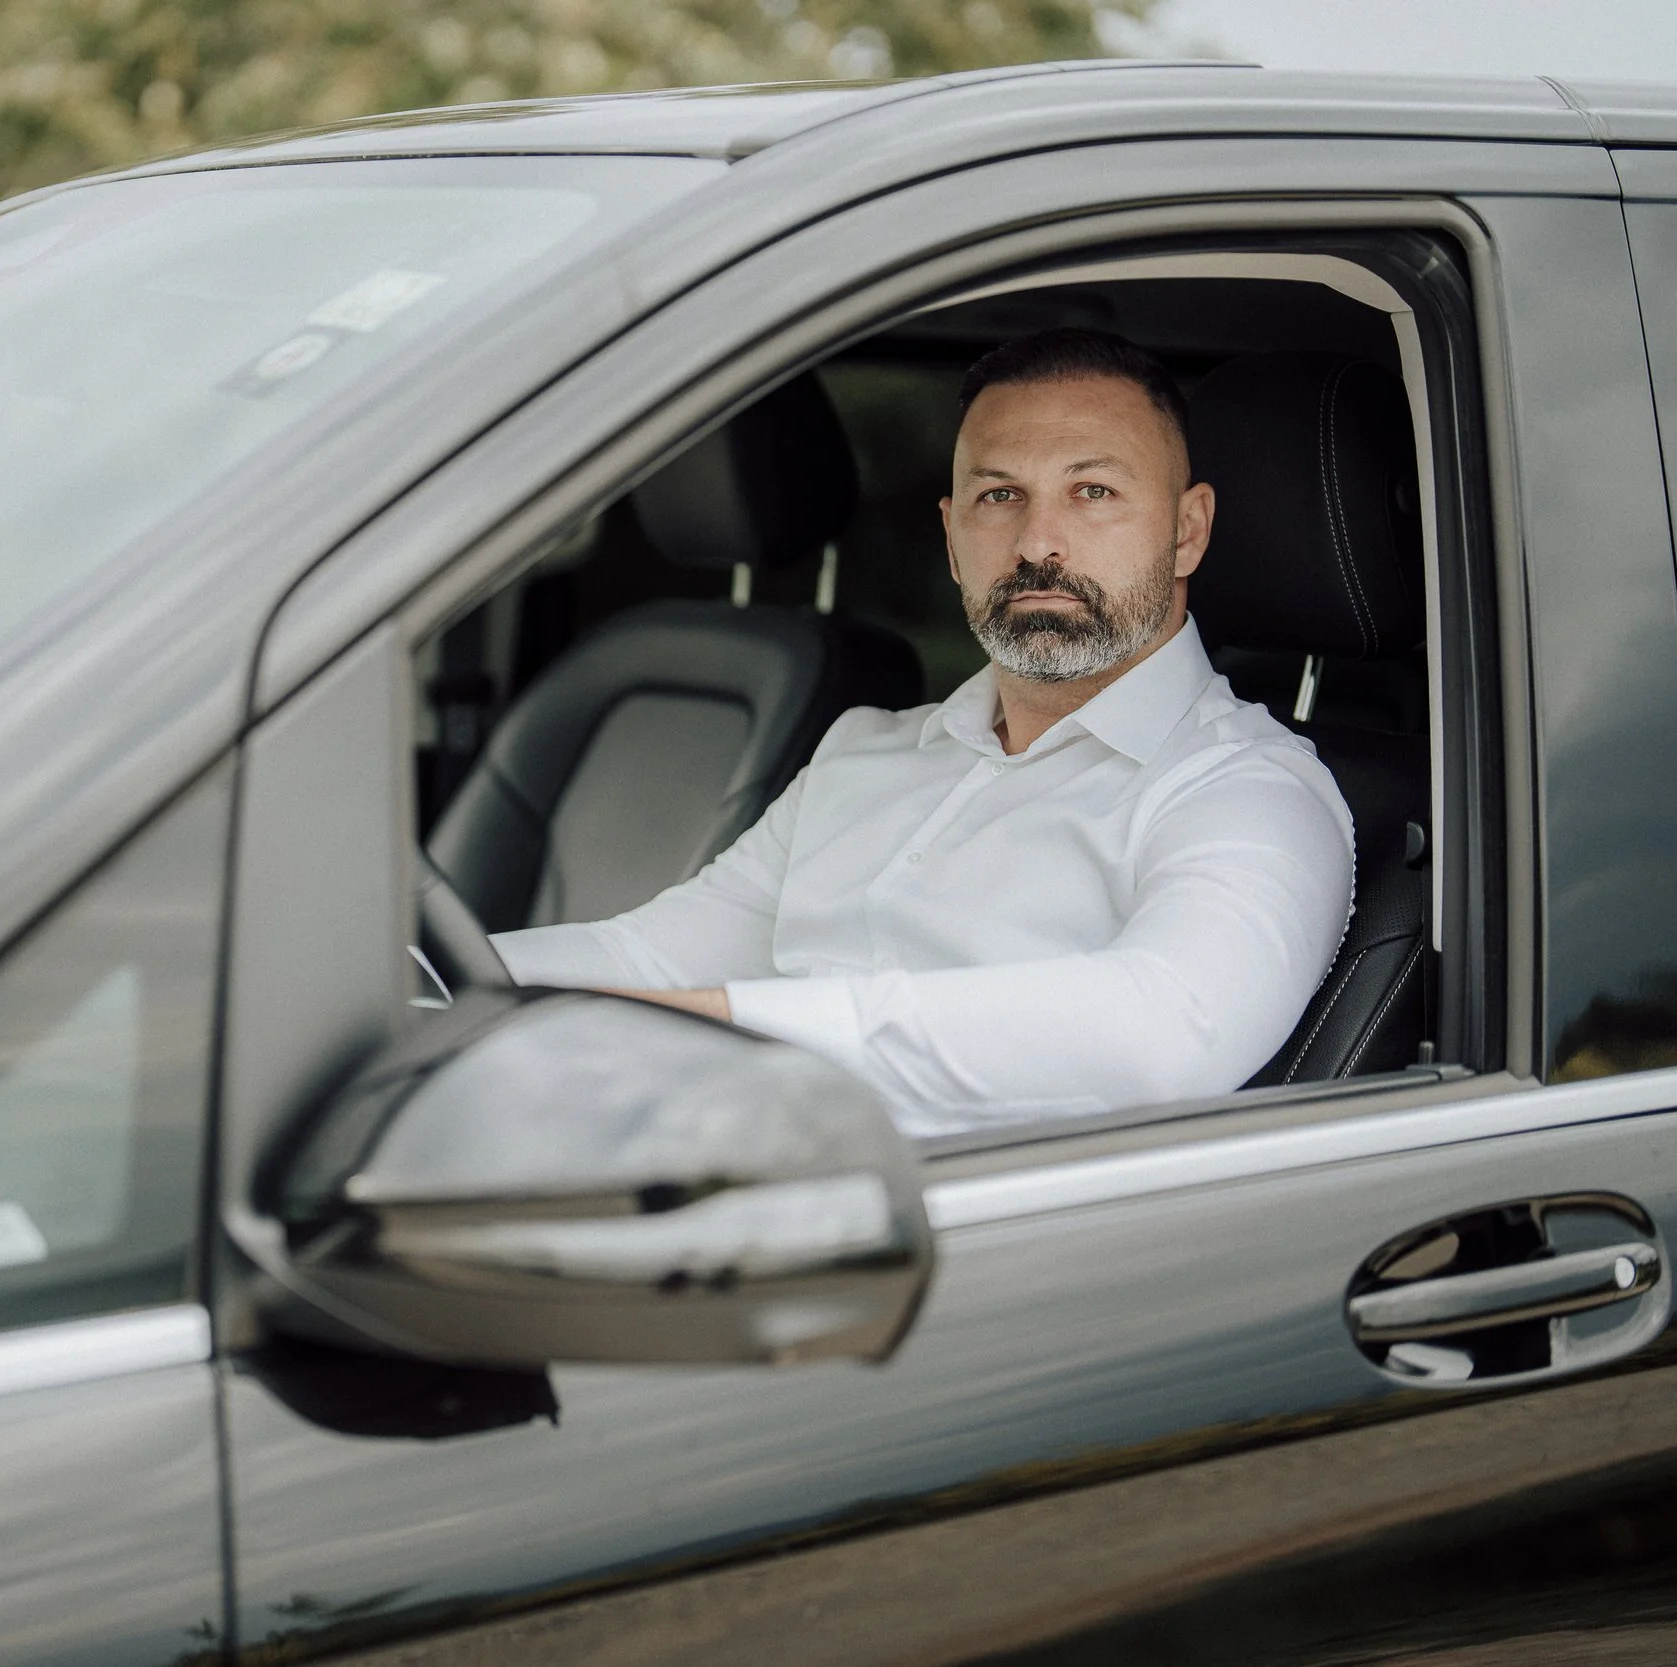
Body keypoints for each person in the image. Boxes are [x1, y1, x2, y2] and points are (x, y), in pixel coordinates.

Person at [491, 328, 1354, 1135]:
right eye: (999, 495)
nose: (1037, 541)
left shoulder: (1248, 790)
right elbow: (646, 953)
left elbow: (1166, 1033)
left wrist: (721, 1031)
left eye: (1093, 491)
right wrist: (402, 982)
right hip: (707, 1171)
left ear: (1187, 531)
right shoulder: (862, 754)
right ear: (951, 536)